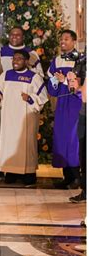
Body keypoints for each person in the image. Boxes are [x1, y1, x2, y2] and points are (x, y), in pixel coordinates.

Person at [0, 49, 48, 186]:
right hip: (9, 117)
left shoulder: (34, 77)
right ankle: (11, 173)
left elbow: (43, 97)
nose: (15, 61)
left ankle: (29, 175)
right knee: (9, 144)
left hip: (25, 119)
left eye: (19, 59)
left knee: (26, 145)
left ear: (27, 61)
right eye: (14, 59)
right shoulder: (6, 75)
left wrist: (30, 98)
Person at [47, 30, 82, 189]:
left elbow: (81, 86)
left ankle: (77, 177)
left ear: (74, 41)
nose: (62, 41)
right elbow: (52, 88)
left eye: (66, 39)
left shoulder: (81, 60)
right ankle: (66, 176)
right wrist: (56, 81)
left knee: (73, 140)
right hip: (62, 104)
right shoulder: (57, 60)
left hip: (75, 103)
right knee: (61, 138)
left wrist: (64, 81)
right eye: (61, 39)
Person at [67, 65, 86, 203]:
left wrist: (78, 87)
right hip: (84, 116)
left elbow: (84, 96)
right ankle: (85, 191)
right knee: (83, 156)